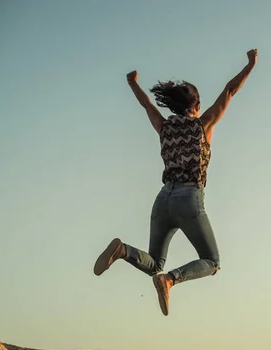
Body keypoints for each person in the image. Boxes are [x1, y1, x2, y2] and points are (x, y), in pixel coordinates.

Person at [93, 49, 258, 316]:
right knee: (212, 261)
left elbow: (147, 105)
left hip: (162, 201)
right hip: (189, 199)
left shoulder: (164, 127)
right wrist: (250, 65)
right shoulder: (202, 125)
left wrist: (132, 83)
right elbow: (229, 91)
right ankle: (171, 279)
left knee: (154, 263)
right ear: (196, 107)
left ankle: (123, 250)